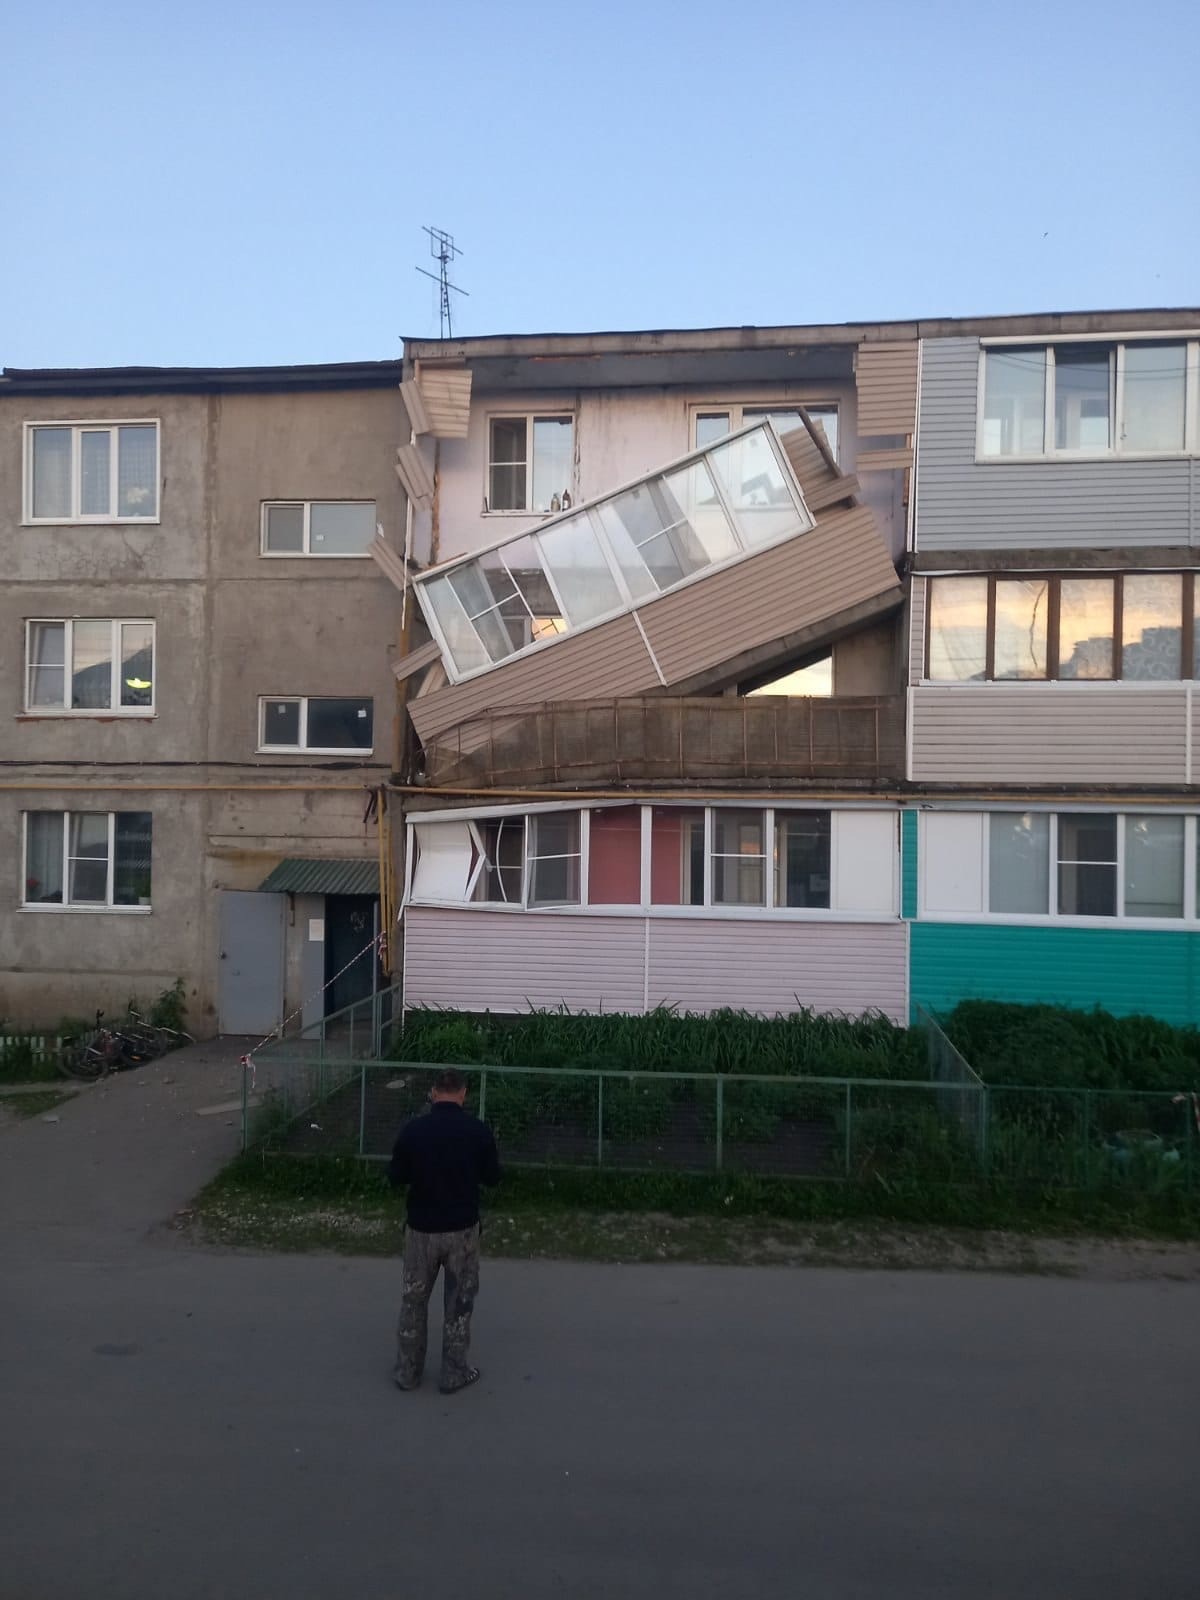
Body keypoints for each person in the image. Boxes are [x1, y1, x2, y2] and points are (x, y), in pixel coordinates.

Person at [387, 1067, 501, 1394]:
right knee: (459, 1303)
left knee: (414, 1301)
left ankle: (408, 1372)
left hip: (421, 1229)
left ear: (434, 1093)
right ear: (463, 1094)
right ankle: (454, 1373)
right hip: (462, 1230)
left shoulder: (414, 1131)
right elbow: (492, 1177)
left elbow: (396, 1176)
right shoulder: (477, 1132)